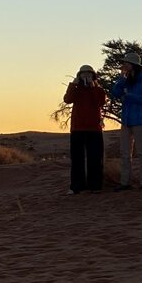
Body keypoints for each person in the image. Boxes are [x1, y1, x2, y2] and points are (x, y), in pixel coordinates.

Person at [110, 51, 142, 190]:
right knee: (125, 152)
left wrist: (130, 96)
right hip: (126, 120)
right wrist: (121, 79)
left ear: (133, 65)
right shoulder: (126, 78)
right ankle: (125, 182)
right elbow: (115, 93)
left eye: (126, 63)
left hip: (141, 120)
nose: (124, 65)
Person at [63, 64, 106, 194]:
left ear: (93, 76)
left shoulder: (99, 90)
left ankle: (95, 186)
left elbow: (100, 102)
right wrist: (73, 85)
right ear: (79, 76)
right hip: (78, 128)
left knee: (95, 158)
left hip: (94, 129)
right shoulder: (76, 90)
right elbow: (67, 99)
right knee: (77, 159)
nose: (86, 76)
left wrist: (93, 87)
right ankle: (77, 186)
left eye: (88, 74)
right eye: (83, 74)